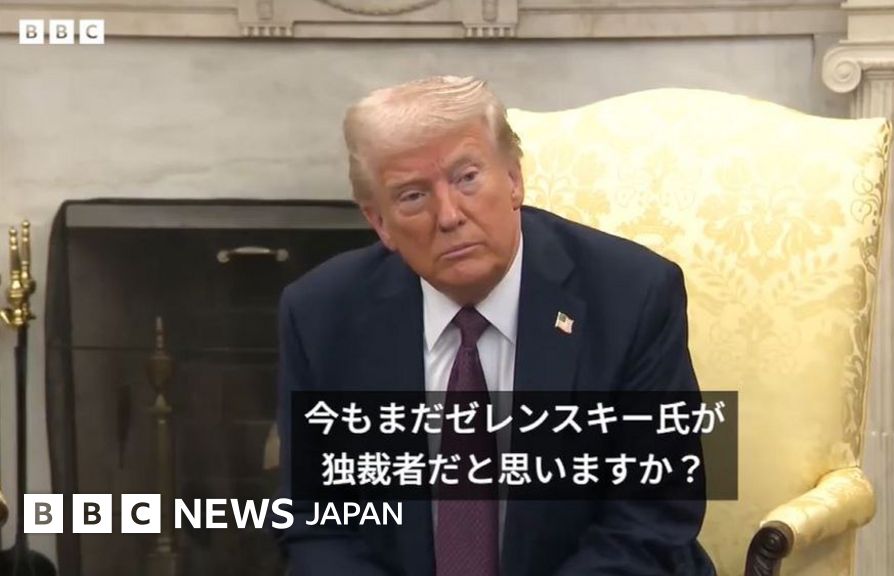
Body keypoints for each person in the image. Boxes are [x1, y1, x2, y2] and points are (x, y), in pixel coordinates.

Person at [275, 75, 715, 576]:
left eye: (467, 178)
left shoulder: (633, 295)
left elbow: (652, 518)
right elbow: (313, 518)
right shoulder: (320, 314)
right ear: (379, 222)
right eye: (413, 196)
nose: (448, 216)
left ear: (513, 180)